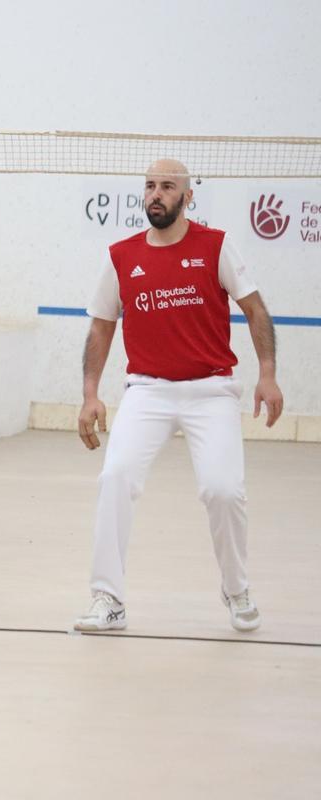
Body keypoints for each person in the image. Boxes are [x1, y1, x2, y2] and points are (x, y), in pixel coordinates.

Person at [74, 158, 284, 633]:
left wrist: (267, 374)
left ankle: (236, 590)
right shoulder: (121, 256)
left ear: (188, 197)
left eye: (168, 186)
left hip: (211, 392)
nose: (156, 194)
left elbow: (255, 310)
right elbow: (102, 328)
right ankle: (107, 599)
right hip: (146, 391)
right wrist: (90, 394)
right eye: (149, 186)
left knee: (223, 490)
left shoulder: (216, 246)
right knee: (116, 478)